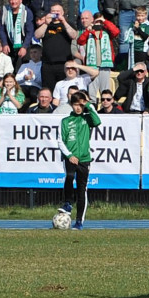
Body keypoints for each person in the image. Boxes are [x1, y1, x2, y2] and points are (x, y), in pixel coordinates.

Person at [57, 90, 101, 230]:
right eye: (76, 104)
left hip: (84, 159)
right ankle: (68, 203)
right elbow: (60, 141)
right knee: (69, 176)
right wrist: (69, 155)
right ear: (71, 105)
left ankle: (79, 221)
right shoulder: (65, 121)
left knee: (82, 190)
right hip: (70, 158)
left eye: (81, 105)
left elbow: (98, 121)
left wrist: (87, 104)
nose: (78, 108)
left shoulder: (87, 118)